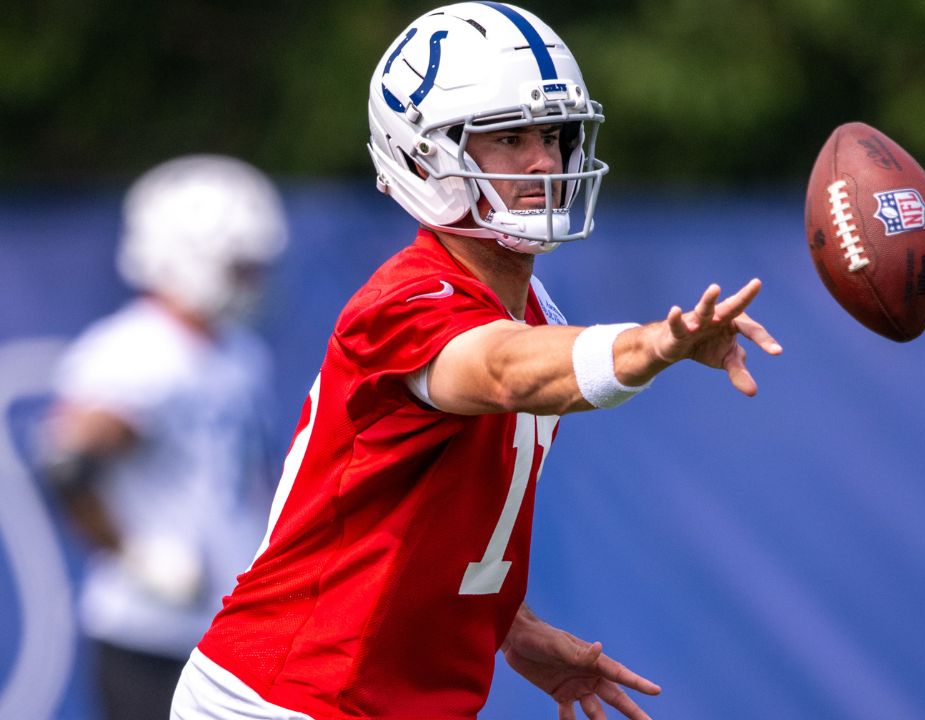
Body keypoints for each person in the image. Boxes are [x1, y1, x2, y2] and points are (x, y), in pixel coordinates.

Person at [172, 4, 782, 719]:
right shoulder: (403, 301)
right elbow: (502, 371)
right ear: (424, 154)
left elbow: (414, 520)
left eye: (554, 135)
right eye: (509, 138)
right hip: (290, 695)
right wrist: (654, 343)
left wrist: (508, 628)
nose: (545, 161)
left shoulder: (533, 306)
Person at [41, 154, 288, 720]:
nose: (250, 282)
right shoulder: (138, 351)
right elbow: (67, 463)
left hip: (223, 629)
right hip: (149, 633)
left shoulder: (238, 352)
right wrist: (135, 558)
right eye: (238, 267)